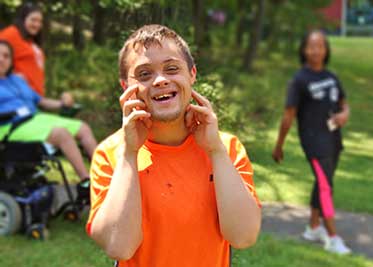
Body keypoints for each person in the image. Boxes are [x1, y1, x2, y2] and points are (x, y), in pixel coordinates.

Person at [86, 24, 261, 266]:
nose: (160, 80)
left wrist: (216, 151)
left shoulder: (226, 148)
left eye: (172, 68)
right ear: (126, 86)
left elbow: (243, 236)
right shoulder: (112, 153)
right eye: (144, 74)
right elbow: (120, 246)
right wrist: (130, 152)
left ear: (192, 74)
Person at [272, 30, 351, 254]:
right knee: (326, 186)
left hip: (334, 137)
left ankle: (313, 227)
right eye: (311, 46)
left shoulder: (331, 76)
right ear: (304, 50)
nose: (316, 50)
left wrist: (344, 114)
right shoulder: (299, 80)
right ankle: (333, 237)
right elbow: (288, 115)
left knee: (322, 182)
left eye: (320, 46)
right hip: (314, 141)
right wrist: (279, 145)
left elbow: (344, 103)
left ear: (326, 50)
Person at [0, 40, 97, 182]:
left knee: (83, 128)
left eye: (6, 55)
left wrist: (63, 103)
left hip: (33, 119)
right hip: (8, 126)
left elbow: (41, 101)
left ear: (11, 60)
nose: (1, 59)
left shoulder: (17, 80)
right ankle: (87, 182)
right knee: (61, 134)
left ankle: (105, 174)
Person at [0, 2, 46, 95]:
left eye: (40, 21)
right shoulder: (11, 34)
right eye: (33, 20)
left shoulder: (31, 40)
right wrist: (11, 76)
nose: (37, 25)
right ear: (23, 19)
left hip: (35, 98)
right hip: (17, 95)